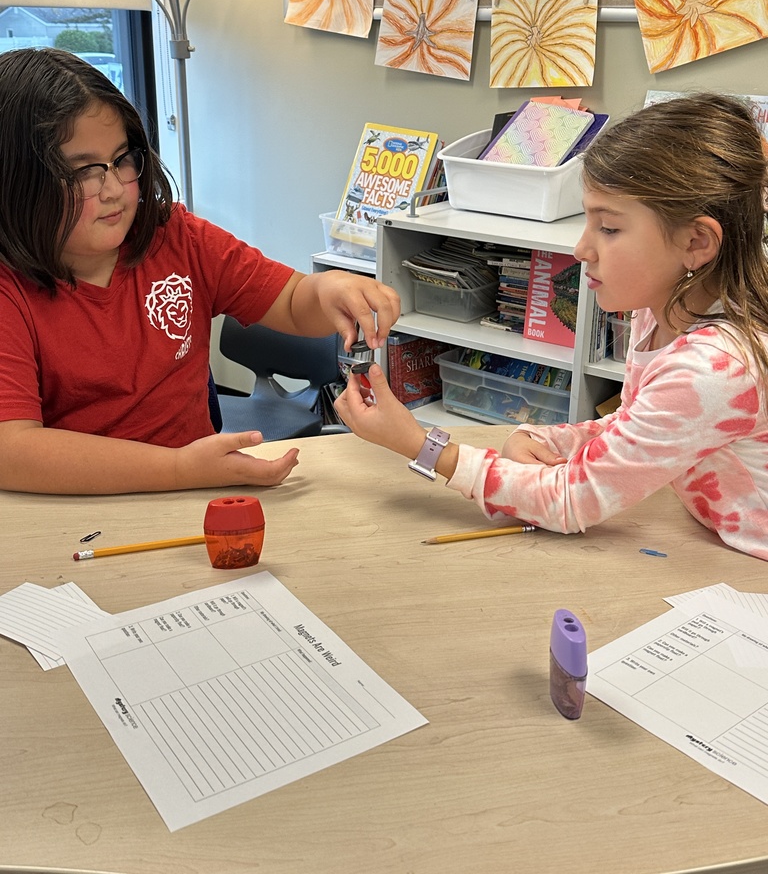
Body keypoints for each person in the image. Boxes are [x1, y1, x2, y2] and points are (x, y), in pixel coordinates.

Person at [336, 92, 768, 561]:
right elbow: (635, 422)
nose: (581, 248)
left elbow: (570, 501)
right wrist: (547, 437)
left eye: (609, 228)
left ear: (696, 242)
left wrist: (419, 444)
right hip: (709, 537)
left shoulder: (714, 369)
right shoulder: (662, 307)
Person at [0, 47, 400, 495]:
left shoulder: (178, 237)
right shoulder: (9, 289)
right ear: (17, 181)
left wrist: (327, 288)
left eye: (121, 160)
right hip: (74, 509)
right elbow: (13, 450)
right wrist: (177, 469)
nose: (114, 189)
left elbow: (290, 302)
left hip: (195, 494)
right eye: (82, 172)